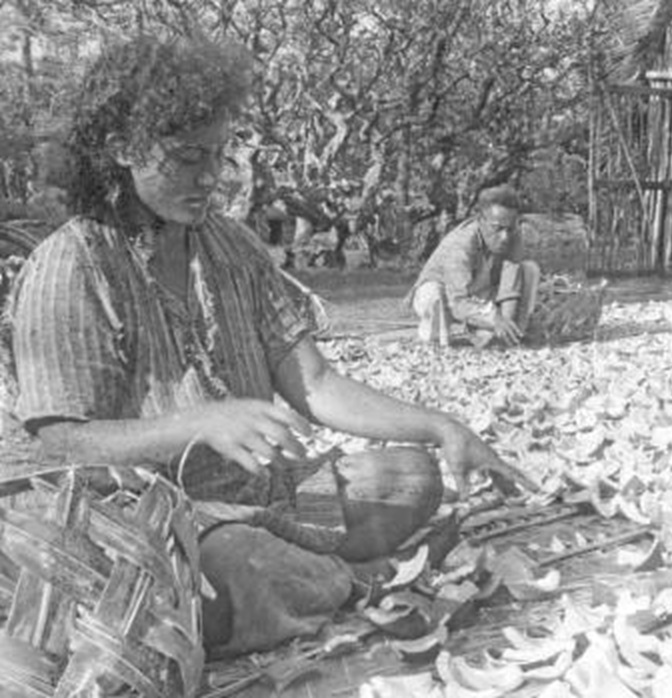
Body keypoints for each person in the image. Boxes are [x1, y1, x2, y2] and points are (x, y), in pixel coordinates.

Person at [5, 34, 534, 659]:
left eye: (219, 154)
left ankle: (310, 578)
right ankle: (343, 580)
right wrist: (196, 425)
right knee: (243, 568)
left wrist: (442, 427)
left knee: (409, 478)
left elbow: (314, 383)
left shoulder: (232, 247)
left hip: (256, 494)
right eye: (185, 157)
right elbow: (61, 445)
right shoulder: (72, 264)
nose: (210, 176)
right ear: (121, 149)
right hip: (144, 523)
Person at [410, 185, 540, 348]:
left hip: (480, 294)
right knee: (433, 294)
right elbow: (458, 303)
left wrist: (506, 324)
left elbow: (510, 288)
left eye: (510, 228)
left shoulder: (512, 235)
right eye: (497, 229)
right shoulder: (460, 244)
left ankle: (514, 334)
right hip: (447, 296)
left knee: (530, 269)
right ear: (481, 221)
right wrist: (495, 320)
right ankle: (435, 339)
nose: (504, 236)